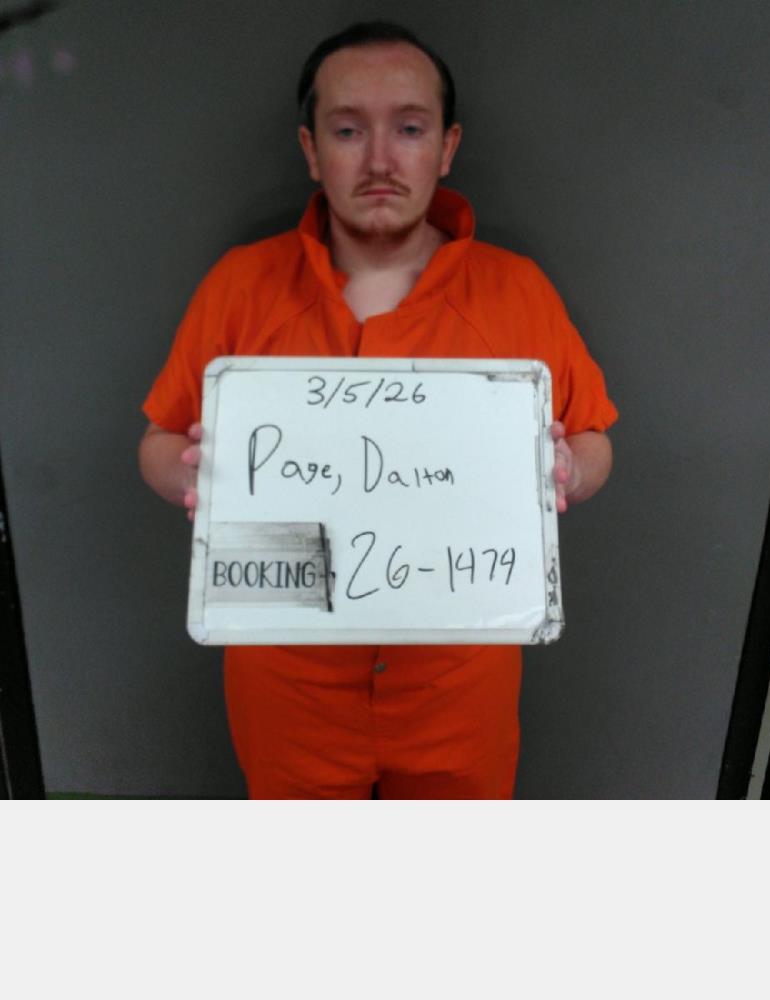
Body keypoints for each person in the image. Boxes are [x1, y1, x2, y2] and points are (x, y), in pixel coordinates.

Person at [138, 21, 617, 799]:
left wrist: (568, 470)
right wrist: (191, 474)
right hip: (287, 676)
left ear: (448, 147)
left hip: (460, 678)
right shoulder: (241, 285)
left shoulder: (516, 290)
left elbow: (593, 438)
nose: (381, 161)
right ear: (311, 149)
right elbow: (159, 440)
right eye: (349, 130)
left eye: (410, 129)